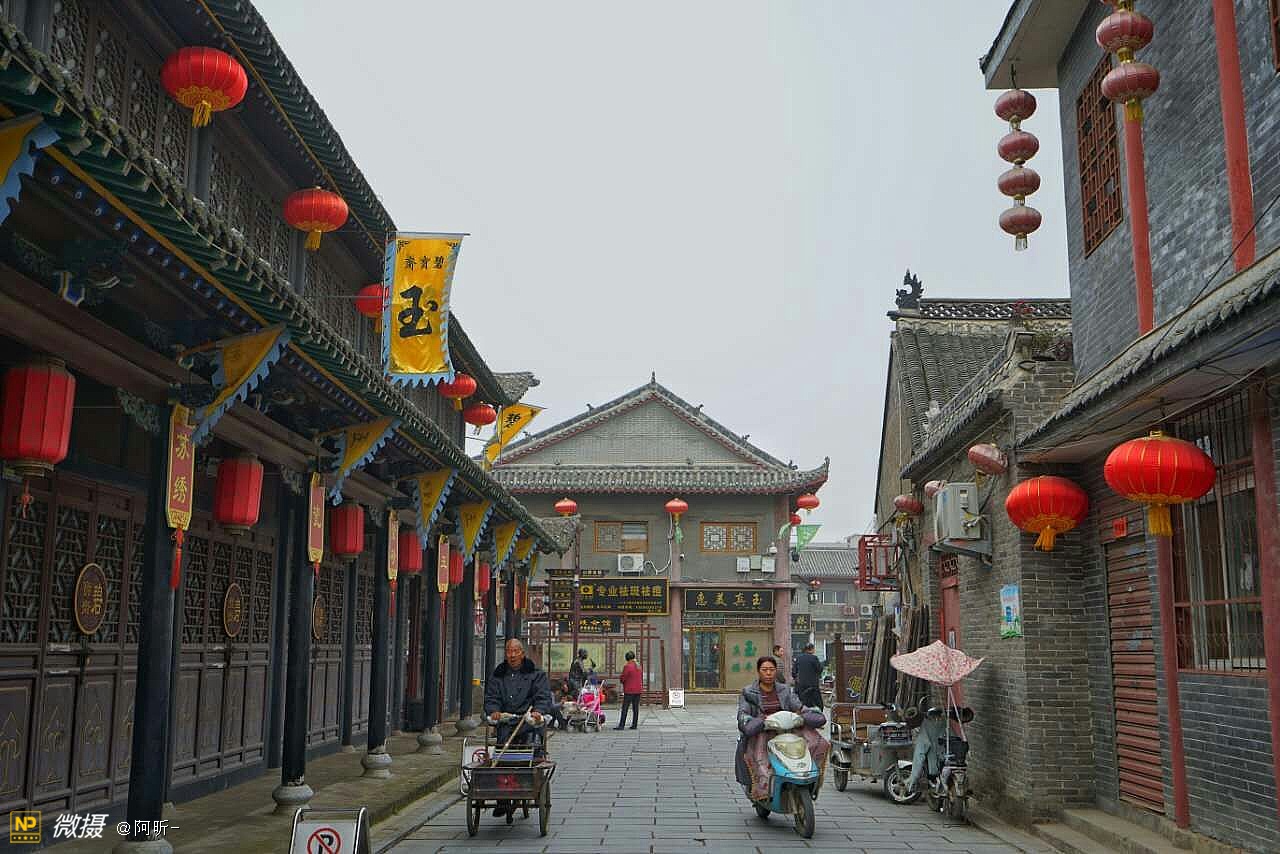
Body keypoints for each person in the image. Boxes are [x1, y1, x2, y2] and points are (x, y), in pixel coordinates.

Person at [735, 656, 828, 801]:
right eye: (764, 670)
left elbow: (797, 705)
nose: (768, 673)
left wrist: (804, 713)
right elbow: (743, 714)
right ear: (758, 672)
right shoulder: (748, 692)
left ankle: (809, 778)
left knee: (818, 742)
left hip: (787, 729)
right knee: (760, 757)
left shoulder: (785, 690)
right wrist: (757, 721)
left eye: (771, 670)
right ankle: (763, 790)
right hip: (762, 731)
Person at [484, 638, 555, 817]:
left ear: (523, 653)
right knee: (502, 756)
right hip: (507, 723)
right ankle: (502, 799)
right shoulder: (498, 675)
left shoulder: (536, 674)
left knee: (530, 753)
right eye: (509, 651)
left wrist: (538, 712)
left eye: (516, 651)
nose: (512, 655)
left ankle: (528, 786)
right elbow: (491, 698)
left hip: (528, 723)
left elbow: (543, 697)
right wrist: (494, 711)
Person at [792, 642, 824, 711]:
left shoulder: (798, 658)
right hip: (812, 686)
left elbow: (794, 672)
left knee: (802, 704)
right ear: (811, 649)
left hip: (801, 686)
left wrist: (796, 679)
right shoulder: (814, 658)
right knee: (818, 704)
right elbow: (819, 669)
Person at [616, 651, 643, 730]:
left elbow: (623, 678)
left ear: (627, 658)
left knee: (625, 708)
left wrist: (621, 679)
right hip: (638, 690)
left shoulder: (627, 666)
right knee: (635, 708)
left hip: (629, 690)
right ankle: (634, 725)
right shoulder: (638, 666)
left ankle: (621, 725)